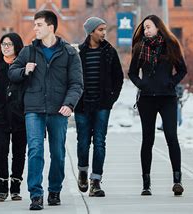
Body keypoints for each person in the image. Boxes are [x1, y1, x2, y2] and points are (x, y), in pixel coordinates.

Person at [9, 10, 83, 210]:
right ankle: (36, 194)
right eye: (34, 25)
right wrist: (25, 70)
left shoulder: (69, 52)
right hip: (33, 108)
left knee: (58, 153)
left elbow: (77, 83)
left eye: (39, 25)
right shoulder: (28, 51)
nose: (35, 29)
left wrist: (69, 104)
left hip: (59, 110)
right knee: (35, 150)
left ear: (51, 27)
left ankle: (55, 190)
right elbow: (12, 72)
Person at [128, 15, 187, 196]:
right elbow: (132, 73)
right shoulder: (140, 48)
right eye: (144, 28)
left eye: (148, 27)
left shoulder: (171, 45)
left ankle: (177, 181)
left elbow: (182, 69)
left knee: (171, 137)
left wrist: (172, 82)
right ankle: (146, 183)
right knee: (148, 140)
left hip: (167, 98)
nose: (145, 30)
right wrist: (142, 84)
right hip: (147, 100)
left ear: (158, 28)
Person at [75, 17, 124, 197]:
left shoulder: (110, 52)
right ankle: (82, 171)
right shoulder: (79, 52)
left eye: (105, 29)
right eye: (100, 29)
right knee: (83, 142)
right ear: (91, 32)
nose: (104, 33)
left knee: (100, 142)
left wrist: (111, 99)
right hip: (82, 105)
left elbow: (118, 78)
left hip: (102, 104)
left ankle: (95, 181)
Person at [0, 32, 27, 202]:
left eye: (9, 44)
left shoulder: (25, 66)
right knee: (1, 151)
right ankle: (2, 187)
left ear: (17, 46)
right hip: (1, 116)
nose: (6, 47)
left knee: (19, 152)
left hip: (21, 117)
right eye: (3, 44)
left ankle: (16, 187)